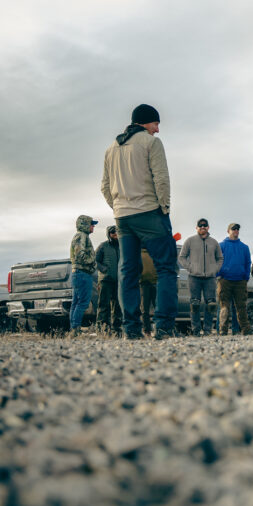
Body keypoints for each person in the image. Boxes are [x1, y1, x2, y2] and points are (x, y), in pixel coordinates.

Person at [101, 104, 178, 340]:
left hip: (123, 218)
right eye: (156, 124)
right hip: (149, 212)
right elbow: (161, 179)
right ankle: (163, 327)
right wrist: (163, 209)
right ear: (145, 123)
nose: (157, 130)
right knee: (166, 268)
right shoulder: (151, 143)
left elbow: (105, 187)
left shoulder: (111, 148)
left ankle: (130, 330)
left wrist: (118, 208)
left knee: (128, 271)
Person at [179, 219, 224, 335]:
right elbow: (182, 257)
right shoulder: (190, 241)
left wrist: (215, 269)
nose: (202, 227)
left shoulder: (214, 242)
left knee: (211, 304)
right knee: (195, 304)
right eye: (200, 226)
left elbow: (220, 258)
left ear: (208, 227)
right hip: (194, 277)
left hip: (210, 278)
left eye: (205, 225)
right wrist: (190, 268)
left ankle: (208, 329)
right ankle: (196, 330)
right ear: (196, 228)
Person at [217, 223, 251, 335]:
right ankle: (223, 330)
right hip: (225, 280)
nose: (236, 231)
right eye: (233, 229)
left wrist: (246, 276)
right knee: (224, 306)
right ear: (228, 231)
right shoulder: (221, 245)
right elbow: (216, 260)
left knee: (241, 307)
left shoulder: (244, 247)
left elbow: (248, 263)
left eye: (237, 229)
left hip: (240, 281)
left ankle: (246, 330)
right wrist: (219, 273)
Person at [69, 214, 98, 335]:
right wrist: (91, 261)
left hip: (79, 274)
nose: (93, 227)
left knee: (76, 302)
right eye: (91, 224)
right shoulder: (81, 236)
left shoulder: (81, 236)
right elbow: (80, 254)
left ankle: (74, 329)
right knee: (83, 302)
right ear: (85, 225)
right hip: (82, 273)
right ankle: (75, 329)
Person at [95, 225, 122, 335]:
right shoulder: (103, 246)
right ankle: (103, 328)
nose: (115, 234)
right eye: (112, 232)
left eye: (116, 232)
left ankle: (117, 329)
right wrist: (103, 269)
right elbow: (95, 261)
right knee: (103, 305)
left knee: (117, 306)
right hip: (105, 280)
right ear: (108, 234)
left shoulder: (122, 246)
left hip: (118, 280)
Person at [139, 248, 156, 336]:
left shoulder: (155, 250)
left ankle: (158, 328)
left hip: (156, 283)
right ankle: (147, 331)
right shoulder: (138, 252)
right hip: (143, 283)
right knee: (144, 309)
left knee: (158, 308)